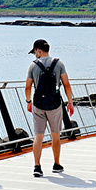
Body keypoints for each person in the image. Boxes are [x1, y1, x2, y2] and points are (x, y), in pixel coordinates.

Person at [24, 39, 74, 177]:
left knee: (38, 136)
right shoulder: (59, 64)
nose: (35, 55)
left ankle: (37, 167)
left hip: (38, 105)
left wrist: (28, 101)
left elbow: (28, 87)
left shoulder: (32, 66)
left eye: (34, 52)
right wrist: (70, 102)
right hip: (55, 104)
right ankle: (56, 164)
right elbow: (66, 85)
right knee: (55, 135)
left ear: (38, 50)